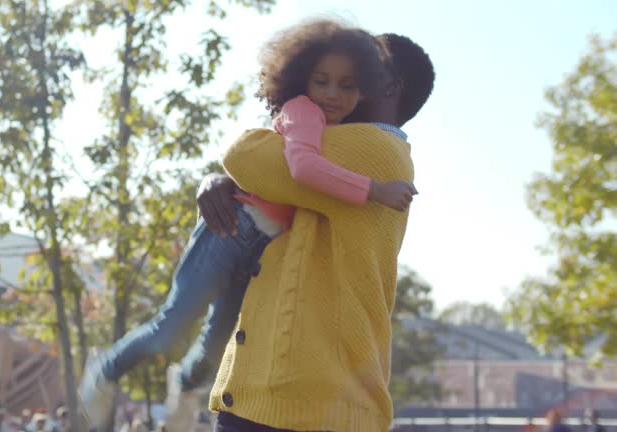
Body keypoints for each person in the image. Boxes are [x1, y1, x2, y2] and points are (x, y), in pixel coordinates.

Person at [78, 18, 413, 430]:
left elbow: (255, 159)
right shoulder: (313, 118)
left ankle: (181, 384)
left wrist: (222, 178)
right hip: (238, 227)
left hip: (258, 248)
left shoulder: (366, 144)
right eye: (323, 79)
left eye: (349, 83)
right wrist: (375, 189)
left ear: (377, 86)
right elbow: (256, 158)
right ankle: (106, 369)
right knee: (174, 324)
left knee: (212, 342)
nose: (335, 93)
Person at [198, 32, 435, 431]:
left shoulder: (371, 149)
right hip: (274, 398)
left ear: (389, 87)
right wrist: (223, 182)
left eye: (357, 71)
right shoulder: (337, 155)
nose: (341, 78)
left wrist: (219, 178)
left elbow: (245, 156)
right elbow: (263, 175)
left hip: (306, 405)